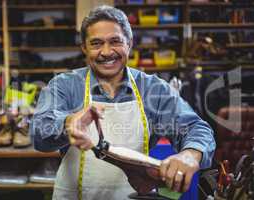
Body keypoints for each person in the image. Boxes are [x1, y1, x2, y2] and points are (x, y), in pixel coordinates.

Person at [32, 5, 216, 200]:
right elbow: (39, 134)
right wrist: (68, 124)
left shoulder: (153, 88)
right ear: (84, 48)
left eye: (115, 41)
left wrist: (189, 155)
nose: (106, 51)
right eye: (96, 43)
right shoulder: (64, 86)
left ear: (129, 43)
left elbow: (196, 128)